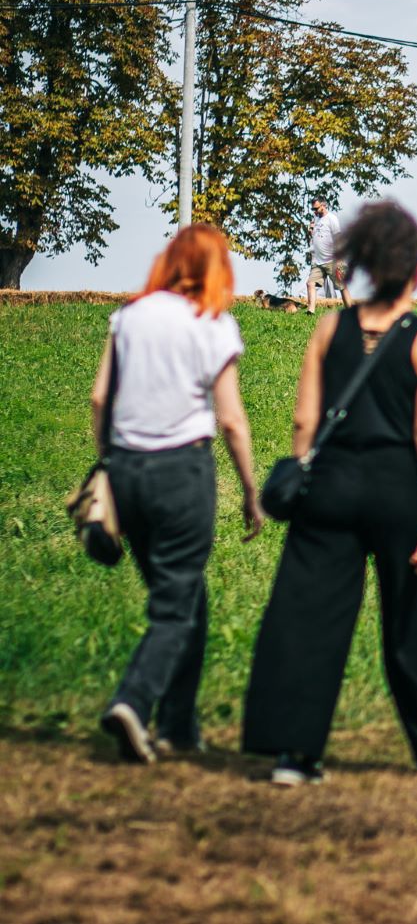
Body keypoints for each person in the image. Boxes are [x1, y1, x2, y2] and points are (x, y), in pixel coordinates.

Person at [243, 200, 417, 785]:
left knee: (309, 617)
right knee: (412, 621)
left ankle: (294, 754)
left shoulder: (328, 329)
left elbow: (304, 424)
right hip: (399, 492)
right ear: (416, 270)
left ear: (363, 264)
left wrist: (299, 477)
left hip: (329, 491)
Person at [93, 225, 264, 763]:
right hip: (181, 472)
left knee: (185, 596)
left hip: (127, 472)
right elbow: (232, 420)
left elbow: (101, 400)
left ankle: (179, 726)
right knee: (175, 607)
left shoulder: (130, 315)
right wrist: (249, 490)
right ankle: (133, 702)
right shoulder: (211, 320)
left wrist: (107, 468)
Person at [306, 198, 351, 314]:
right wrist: (311, 232)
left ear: (323, 205)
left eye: (316, 208)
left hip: (333, 259)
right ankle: (310, 311)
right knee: (310, 283)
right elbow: (316, 237)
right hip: (318, 261)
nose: (314, 211)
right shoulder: (316, 219)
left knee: (342, 287)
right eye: (312, 209)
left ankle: (351, 311)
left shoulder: (332, 219)